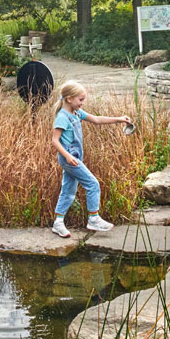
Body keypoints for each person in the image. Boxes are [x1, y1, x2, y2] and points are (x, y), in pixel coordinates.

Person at [49, 80, 132, 238]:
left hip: (74, 158)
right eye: (80, 100)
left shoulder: (76, 113)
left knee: (68, 191)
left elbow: (96, 119)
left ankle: (58, 223)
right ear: (69, 99)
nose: (82, 103)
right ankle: (93, 218)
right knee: (92, 184)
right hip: (69, 158)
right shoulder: (62, 117)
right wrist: (67, 156)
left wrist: (119, 119)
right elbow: (55, 140)